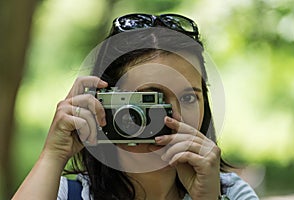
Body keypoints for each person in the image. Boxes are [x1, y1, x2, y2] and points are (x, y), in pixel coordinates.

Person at [13, 13, 259, 200]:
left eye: (188, 98)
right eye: (149, 98)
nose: (171, 116)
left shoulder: (231, 192)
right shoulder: (63, 193)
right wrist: (53, 155)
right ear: (104, 103)